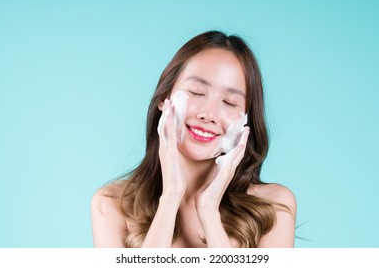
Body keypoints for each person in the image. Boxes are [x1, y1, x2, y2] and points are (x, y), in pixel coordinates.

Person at [91, 30, 297, 248]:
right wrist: (170, 197)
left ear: (246, 121)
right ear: (164, 98)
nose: (208, 114)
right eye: (197, 92)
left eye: (229, 102)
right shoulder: (111, 205)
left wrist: (209, 212)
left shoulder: (273, 207)